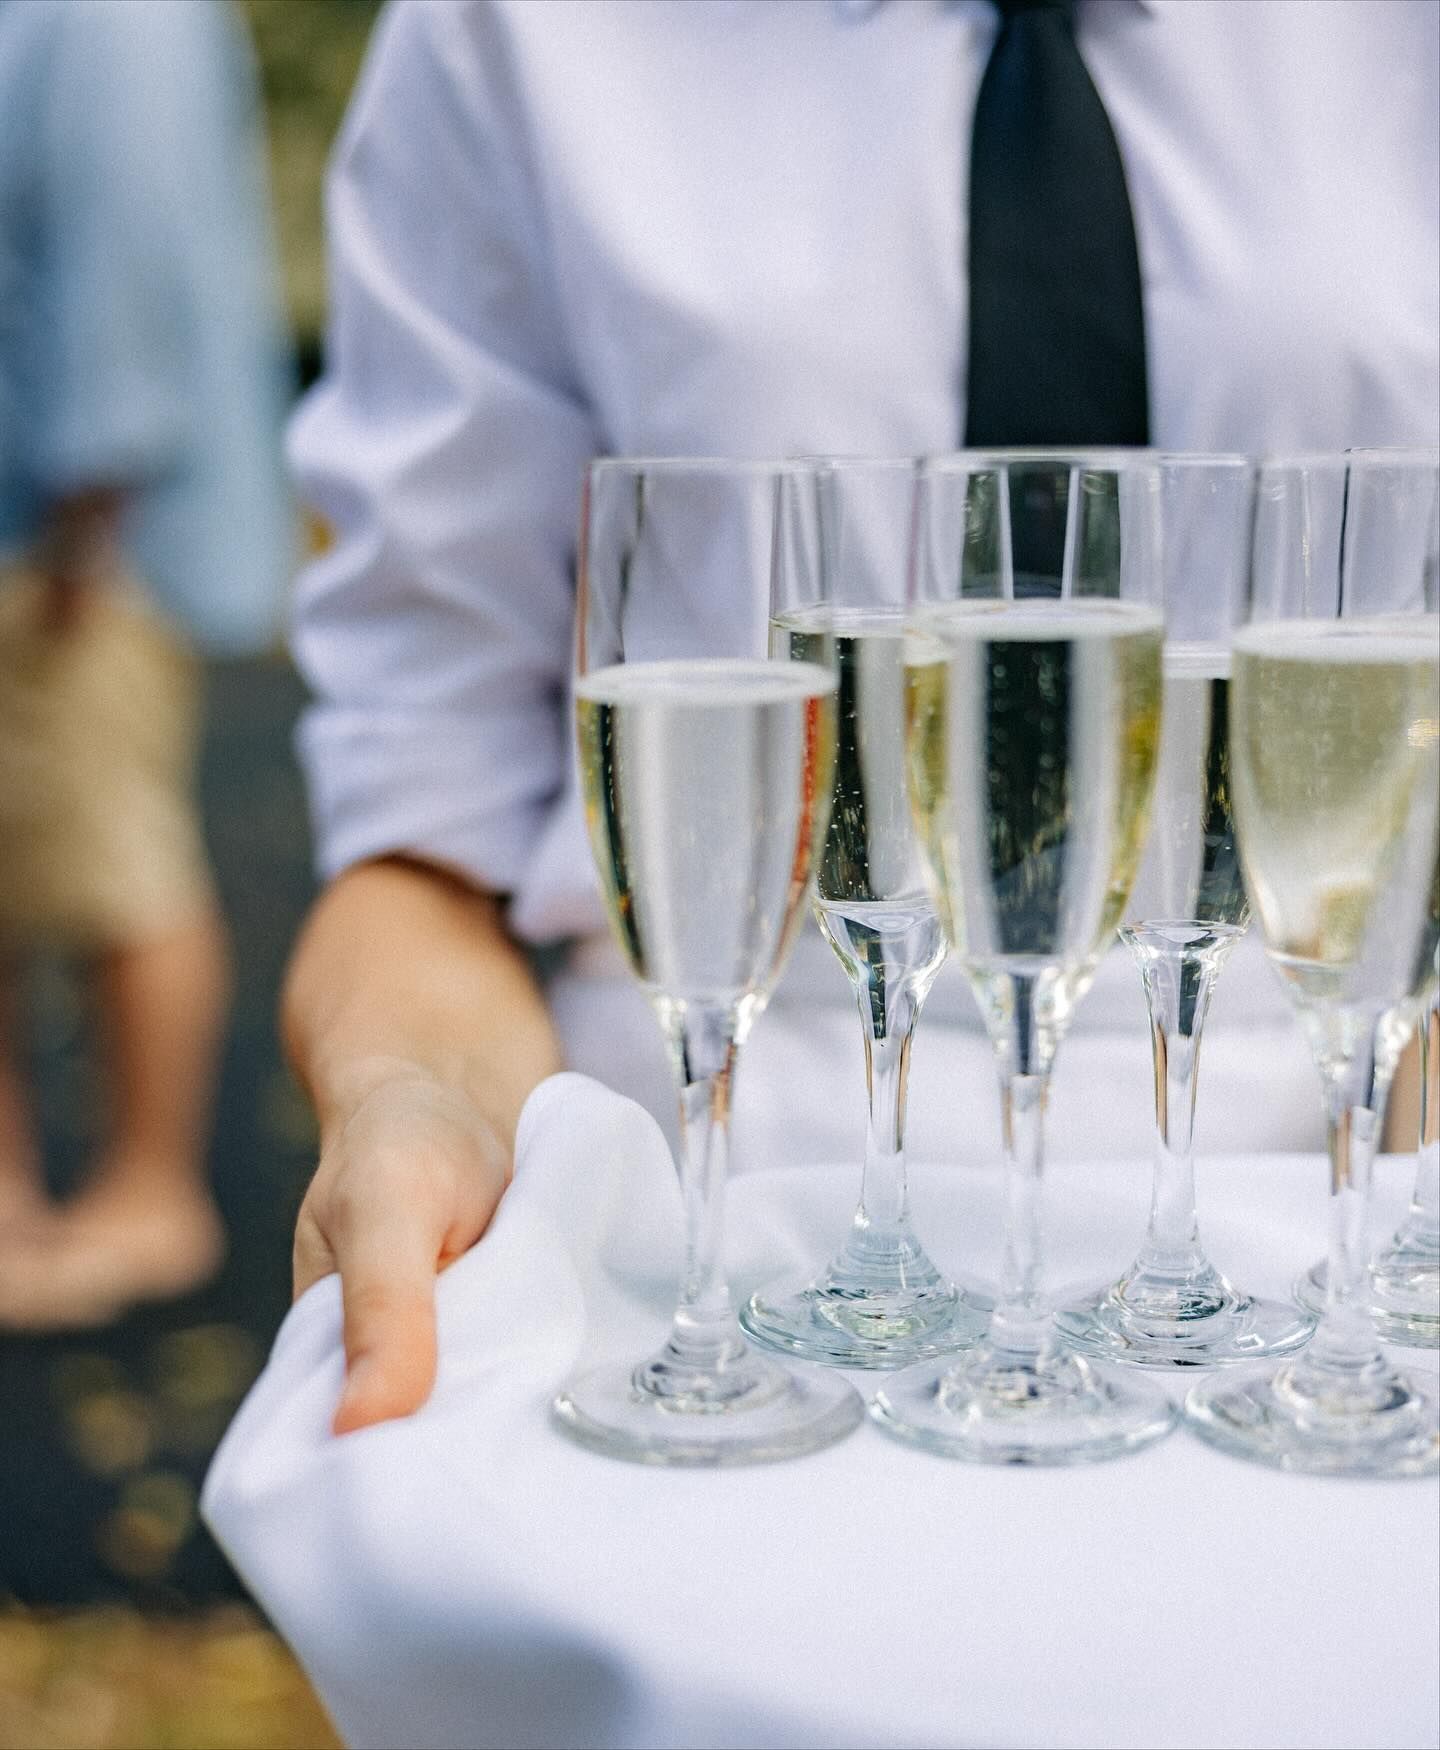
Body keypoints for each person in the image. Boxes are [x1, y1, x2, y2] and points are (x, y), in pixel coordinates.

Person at [281, 0, 1440, 1434]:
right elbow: (422, 808)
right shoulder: (511, 32)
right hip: (712, 1207)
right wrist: (408, 1092)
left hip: (1322, 1213)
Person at [0, 0, 292, 1326]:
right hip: (56, 526)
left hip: (76, 546)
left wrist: (84, 520)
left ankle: (150, 1194)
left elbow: (126, 270)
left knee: (117, 860)